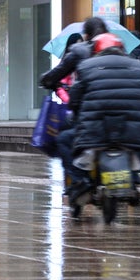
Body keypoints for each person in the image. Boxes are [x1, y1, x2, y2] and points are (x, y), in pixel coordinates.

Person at [66, 32, 140, 207]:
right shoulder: (139, 67)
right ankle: (134, 180)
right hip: (131, 133)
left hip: (97, 132)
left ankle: (81, 182)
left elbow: (75, 98)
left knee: (67, 142)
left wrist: (75, 111)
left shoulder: (87, 66)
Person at [39, 18, 109, 198]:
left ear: (87, 36)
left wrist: (52, 85)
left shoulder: (81, 54)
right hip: (121, 118)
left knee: (64, 139)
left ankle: (78, 179)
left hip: (88, 115)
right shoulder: (120, 52)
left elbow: (58, 79)